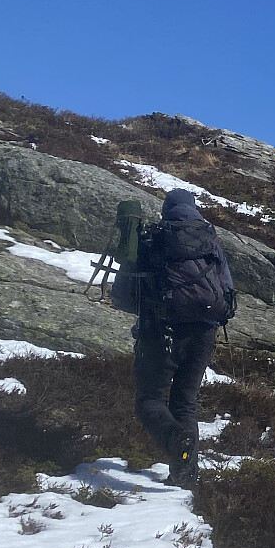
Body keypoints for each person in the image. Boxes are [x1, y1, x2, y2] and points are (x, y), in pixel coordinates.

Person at [111, 188, 236, 487]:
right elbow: (227, 291)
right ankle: (185, 476)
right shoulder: (210, 241)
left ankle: (174, 437)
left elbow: (124, 295)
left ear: (166, 210)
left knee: (150, 400)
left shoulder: (153, 238)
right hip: (204, 332)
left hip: (162, 330)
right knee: (185, 403)